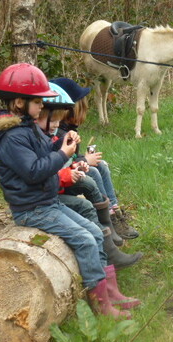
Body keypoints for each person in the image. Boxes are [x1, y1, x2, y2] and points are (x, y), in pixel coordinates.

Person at [0, 63, 131, 318]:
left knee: (93, 231)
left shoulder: (24, 128)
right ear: (18, 102)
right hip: (32, 209)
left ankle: (110, 293)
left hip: (46, 202)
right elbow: (35, 171)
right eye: (37, 102)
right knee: (83, 239)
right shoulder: (12, 137)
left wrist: (62, 143)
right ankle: (101, 307)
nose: (41, 108)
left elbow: (42, 154)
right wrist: (62, 154)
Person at [37, 83, 142, 308]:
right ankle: (102, 301)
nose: (56, 125)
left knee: (89, 208)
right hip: (41, 202)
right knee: (87, 232)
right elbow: (43, 172)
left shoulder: (50, 135)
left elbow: (52, 168)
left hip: (50, 195)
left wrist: (73, 163)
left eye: (58, 120)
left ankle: (109, 280)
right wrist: (76, 164)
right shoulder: (36, 138)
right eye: (53, 120)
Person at [49, 77, 139, 240]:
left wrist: (83, 158)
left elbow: (71, 158)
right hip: (63, 181)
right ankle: (107, 218)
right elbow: (62, 162)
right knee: (94, 172)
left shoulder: (68, 129)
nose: (86, 109)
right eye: (83, 106)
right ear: (71, 109)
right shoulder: (61, 134)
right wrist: (84, 161)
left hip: (67, 174)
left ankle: (114, 212)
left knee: (102, 165)